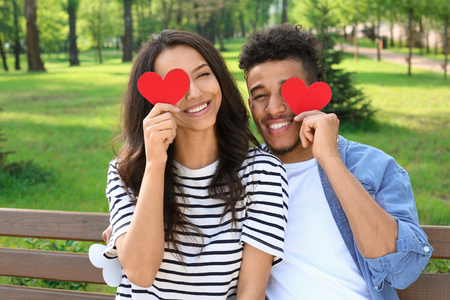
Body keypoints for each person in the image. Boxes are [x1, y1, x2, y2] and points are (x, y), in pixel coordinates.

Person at [238, 23, 432, 299]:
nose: (274, 108)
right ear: (250, 106)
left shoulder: (374, 167)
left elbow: (401, 271)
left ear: (314, 94)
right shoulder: (245, 176)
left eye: (288, 91)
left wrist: (329, 158)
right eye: (261, 96)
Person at [102, 29, 289, 300]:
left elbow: (251, 293)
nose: (194, 93)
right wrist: (155, 164)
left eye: (203, 74)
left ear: (220, 80)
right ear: (151, 100)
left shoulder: (262, 173)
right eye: (174, 84)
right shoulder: (126, 172)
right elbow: (140, 273)